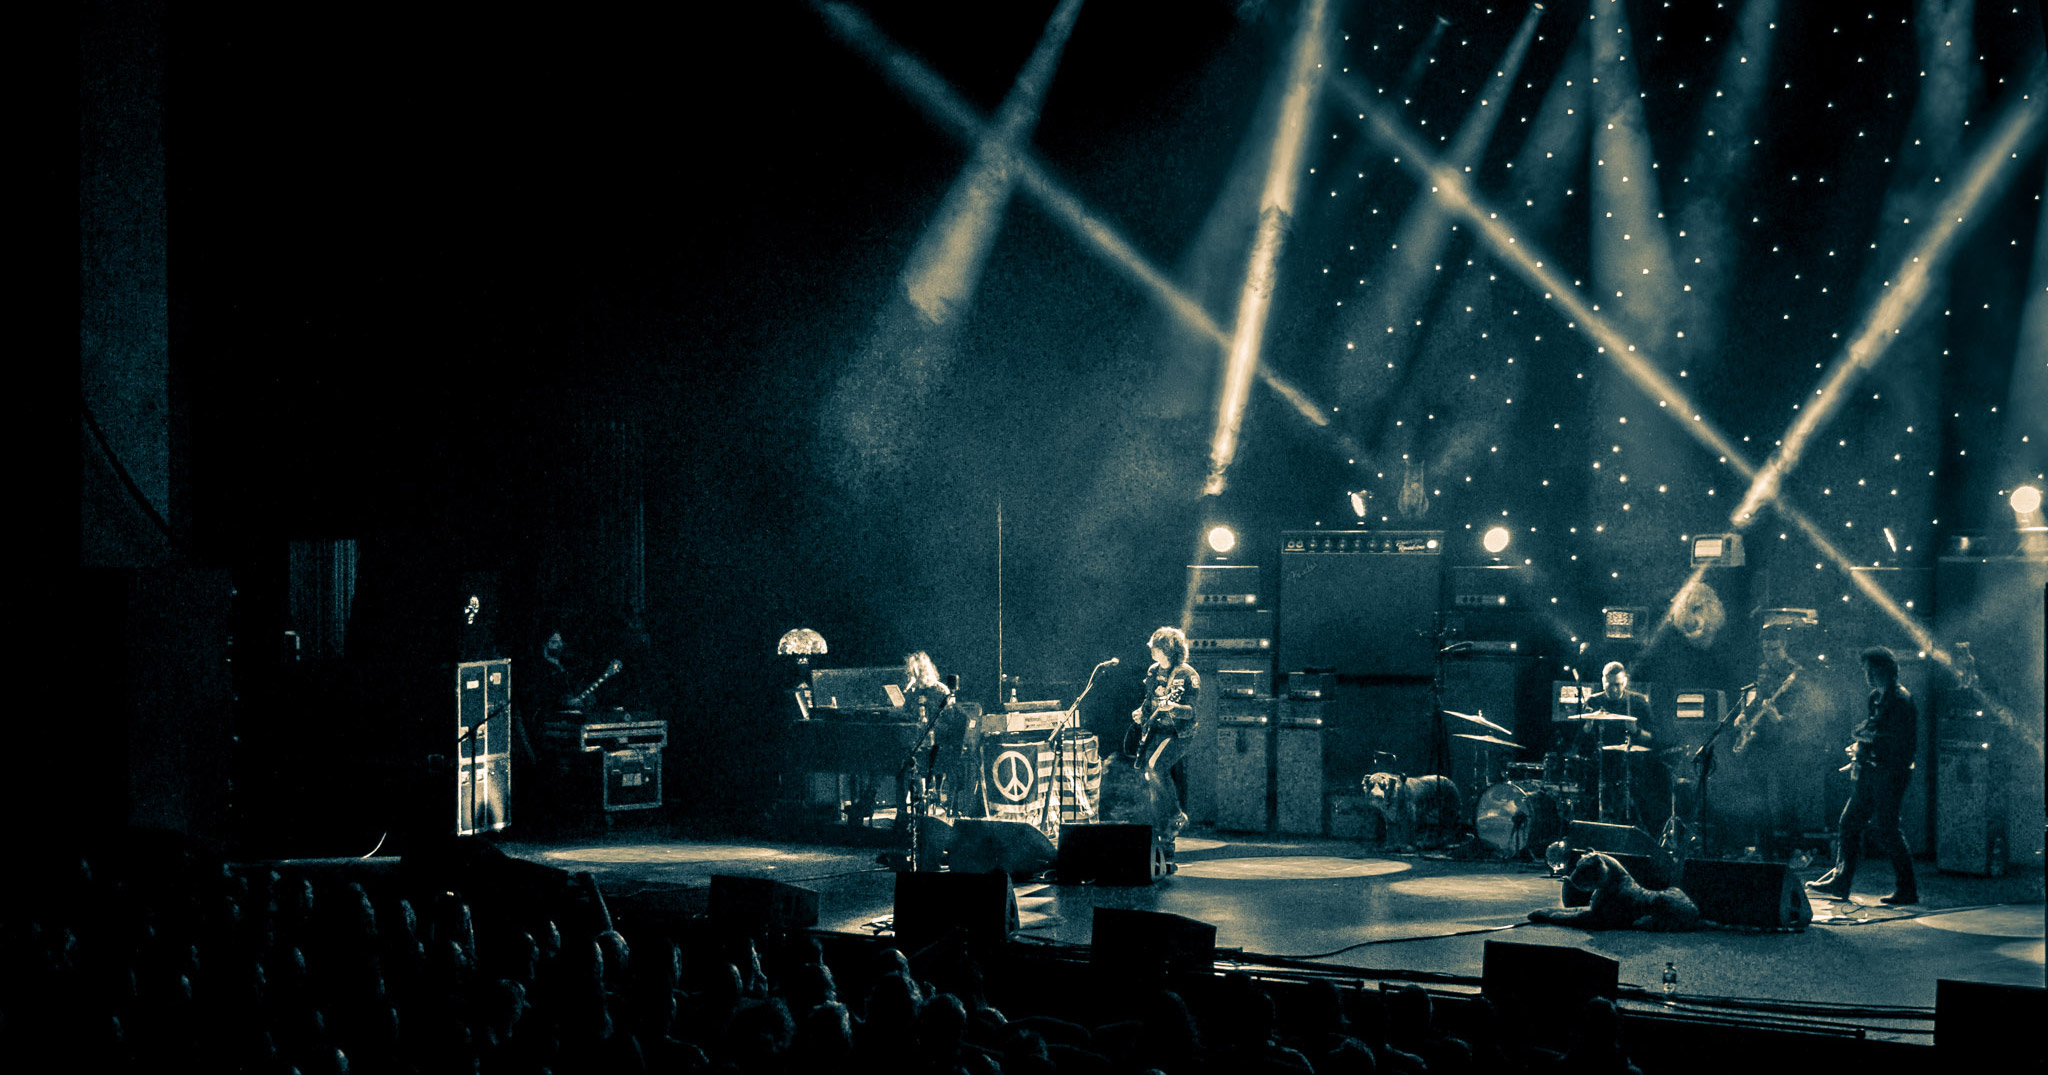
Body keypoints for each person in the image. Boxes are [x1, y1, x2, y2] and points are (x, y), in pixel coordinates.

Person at [1808, 647, 1919, 904]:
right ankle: (1841, 881)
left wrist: (1867, 739)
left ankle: (1907, 889)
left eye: (1871, 669)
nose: (1867, 674)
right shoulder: (1876, 698)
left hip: (1891, 774)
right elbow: (1872, 732)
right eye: (1865, 669)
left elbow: (1898, 742)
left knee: (1888, 829)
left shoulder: (1901, 700)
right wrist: (1859, 752)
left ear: (1884, 670)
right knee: (1849, 823)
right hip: (1872, 771)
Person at [1123, 626, 1201, 848]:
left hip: (1179, 733)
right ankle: (1165, 837)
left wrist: (1174, 707)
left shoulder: (1187, 674)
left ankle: (1177, 814)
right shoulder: (1153, 672)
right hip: (1156, 730)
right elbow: (1149, 701)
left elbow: (1191, 711)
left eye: (1156, 648)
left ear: (1168, 649)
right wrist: (1141, 712)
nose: (1152, 651)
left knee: (1155, 766)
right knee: (1152, 780)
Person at [1576, 661, 1672, 828]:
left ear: (1625, 682)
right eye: (1609, 684)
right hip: (1601, 765)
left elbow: (1654, 738)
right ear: (1603, 680)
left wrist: (1636, 731)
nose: (1614, 689)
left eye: (1618, 685)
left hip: (1633, 767)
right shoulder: (1593, 702)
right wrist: (1588, 726)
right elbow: (1579, 742)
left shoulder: (1638, 702)